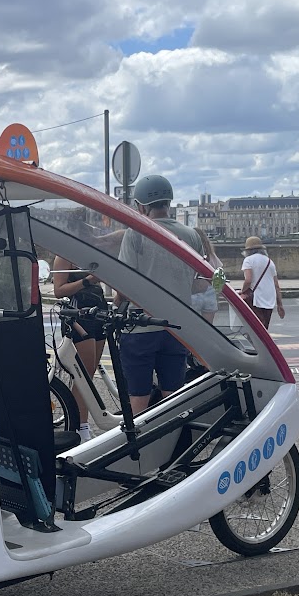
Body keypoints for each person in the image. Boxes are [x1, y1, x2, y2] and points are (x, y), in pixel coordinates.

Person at [115, 175, 204, 415]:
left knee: (138, 400)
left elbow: (124, 284)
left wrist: (117, 302)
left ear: (142, 206)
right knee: (173, 397)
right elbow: (198, 284)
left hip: (141, 328)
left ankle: (139, 449)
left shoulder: (135, 233)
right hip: (176, 328)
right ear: (169, 202)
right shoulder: (191, 235)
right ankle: (174, 444)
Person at [53, 256, 108, 441]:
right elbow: (58, 291)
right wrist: (88, 280)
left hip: (99, 312)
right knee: (82, 376)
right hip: (78, 316)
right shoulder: (63, 256)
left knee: (89, 376)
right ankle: (81, 427)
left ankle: (82, 425)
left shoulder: (88, 251)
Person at [240, 236, 284, 329]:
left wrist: (242, 291)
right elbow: (276, 285)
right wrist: (280, 304)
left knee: (255, 328)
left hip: (256, 298)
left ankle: (255, 343)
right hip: (269, 298)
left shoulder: (248, 260)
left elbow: (248, 280)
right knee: (264, 328)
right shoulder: (269, 261)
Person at [190, 228, 224, 323]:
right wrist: (217, 291)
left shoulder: (191, 253)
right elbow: (220, 274)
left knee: (192, 325)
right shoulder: (211, 255)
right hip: (210, 293)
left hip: (193, 292)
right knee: (208, 327)